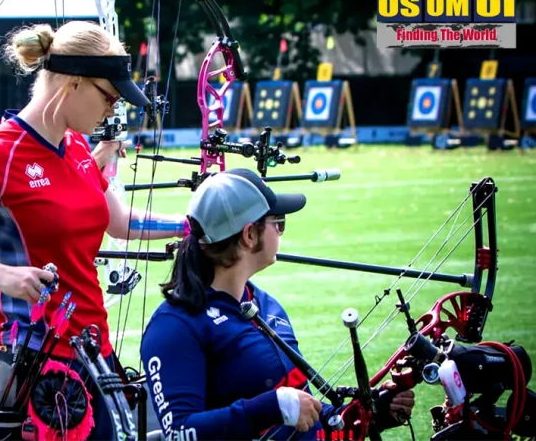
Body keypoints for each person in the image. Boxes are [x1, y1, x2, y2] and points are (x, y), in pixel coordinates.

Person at [0, 20, 187, 439]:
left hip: (94, 350)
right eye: (108, 97)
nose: (112, 110)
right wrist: (2, 275)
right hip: (32, 360)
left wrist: (192, 226)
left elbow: (120, 223)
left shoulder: (75, 148)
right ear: (73, 83)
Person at [139, 168, 416, 440]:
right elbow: (178, 432)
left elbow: (304, 412)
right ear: (249, 235)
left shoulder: (264, 304)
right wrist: (271, 407)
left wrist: (371, 413)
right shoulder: (175, 326)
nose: (281, 232)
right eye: (278, 222)